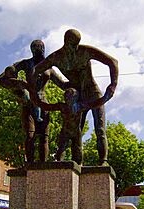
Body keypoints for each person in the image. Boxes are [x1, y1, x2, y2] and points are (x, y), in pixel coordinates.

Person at [31, 29, 119, 165]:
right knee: (74, 129)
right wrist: (34, 93)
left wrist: (113, 85)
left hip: (93, 93)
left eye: (76, 44)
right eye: (72, 44)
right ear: (66, 42)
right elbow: (36, 70)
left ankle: (103, 161)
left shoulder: (85, 51)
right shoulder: (57, 57)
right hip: (76, 96)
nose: (75, 48)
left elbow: (112, 61)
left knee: (100, 129)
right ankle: (73, 161)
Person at [0, 40, 66, 163]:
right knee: (30, 136)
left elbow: (62, 84)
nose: (38, 49)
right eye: (35, 47)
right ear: (31, 49)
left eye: (40, 46)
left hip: (43, 103)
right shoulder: (25, 63)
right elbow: (3, 78)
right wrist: (19, 84)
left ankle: (43, 165)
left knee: (44, 137)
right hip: (28, 103)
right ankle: (29, 165)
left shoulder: (49, 68)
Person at [32, 87, 109, 165]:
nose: (67, 99)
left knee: (78, 151)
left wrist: (106, 96)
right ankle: (59, 164)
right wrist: (36, 100)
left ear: (75, 98)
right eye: (66, 97)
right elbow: (47, 107)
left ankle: (78, 165)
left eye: (69, 97)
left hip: (76, 132)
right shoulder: (63, 106)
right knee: (61, 149)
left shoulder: (80, 106)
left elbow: (95, 104)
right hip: (65, 131)